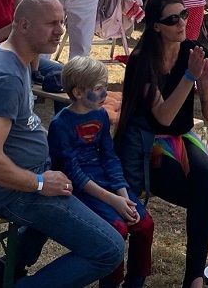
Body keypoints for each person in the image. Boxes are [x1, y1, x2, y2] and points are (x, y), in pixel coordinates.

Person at [0, 0, 125, 288]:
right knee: (110, 250)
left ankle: (5, 270)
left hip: (26, 180)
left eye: (61, 22)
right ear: (24, 25)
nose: (60, 30)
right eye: (52, 23)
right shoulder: (6, 76)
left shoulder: (17, 58)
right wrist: (40, 182)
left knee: (67, 188)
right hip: (11, 192)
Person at [114, 0, 208, 288]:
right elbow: (162, 116)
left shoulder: (193, 50)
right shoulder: (142, 60)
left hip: (181, 136)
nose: (181, 23)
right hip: (146, 142)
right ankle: (193, 279)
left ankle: (194, 279)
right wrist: (189, 77)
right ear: (156, 26)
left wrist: (207, 88)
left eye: (184, 15)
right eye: (172, 19)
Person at [49, 57, 154, 288]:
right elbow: (73, 173)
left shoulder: (100, 115)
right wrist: (113, 201)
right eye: (98, 89)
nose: (105, 93)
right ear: (77, 92)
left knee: (144, 223)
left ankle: (136, 283)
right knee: (117, 230)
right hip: (81, 189)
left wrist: (124, 197)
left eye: (106, 87)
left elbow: (109, 156)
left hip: (106, 181)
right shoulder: (60, 125)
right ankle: (111, 283)